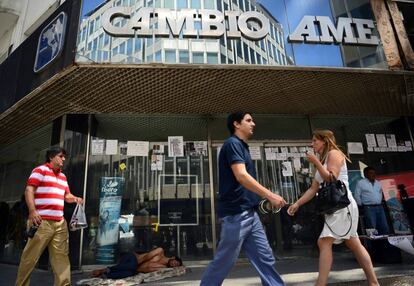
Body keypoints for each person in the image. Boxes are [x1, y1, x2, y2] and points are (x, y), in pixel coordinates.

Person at [200, 112, 286, 286]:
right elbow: (241, 176)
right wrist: (269, 195)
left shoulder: (242, 146)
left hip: (250, 213)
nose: (253, 123)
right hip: (236, 214)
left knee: (265, 258)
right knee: (224, 261)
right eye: (248, 120)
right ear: (236, 124)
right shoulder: (232, 144)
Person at [287, 130, 379, 286]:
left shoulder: (334, 154)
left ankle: (320, 284)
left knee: (324, 242)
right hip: (336, 207)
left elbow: (331, 177)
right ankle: (373, 282)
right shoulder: (323, 160)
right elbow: (313, 189)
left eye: (315, 140)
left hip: (342, 205)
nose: (312, 144)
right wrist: (297, 203)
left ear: (325, 141)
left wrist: (316, 162)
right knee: (353, 243)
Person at [15, 146, 83, 286]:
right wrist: (32, 211)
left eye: (64, 156)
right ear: (51, 157)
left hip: (60, 223)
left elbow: (66, 196)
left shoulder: (63, 177)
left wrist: (75, 198)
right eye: (60, 156)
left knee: (61, 258)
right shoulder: (40, 170)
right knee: (30, 258)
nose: (63, 159)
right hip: (41, 221)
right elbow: (29, 190)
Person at [91, 247, 183, 279]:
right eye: (176, 262)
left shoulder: (163, 268)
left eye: (176, 265)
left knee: (129, 273)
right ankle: (105, 269)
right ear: (173, 257)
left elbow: (148, 269)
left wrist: (136, 269)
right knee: (130, 268)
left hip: (132, 268)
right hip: (132, 258)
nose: (175, 264)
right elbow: (146, 257)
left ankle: (105, 275)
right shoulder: (160, 251)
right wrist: (135, 265)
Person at [354, 167, 389, 235]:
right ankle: (374, 245)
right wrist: (361, 205)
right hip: (369, 208)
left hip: (380, 207)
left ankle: (384, 244)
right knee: (372, 227)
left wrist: (380, 200)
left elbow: (380, 193)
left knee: (384, 227)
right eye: (371, 173)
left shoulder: (378, 183)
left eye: (374, 173)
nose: (373, 175)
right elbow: (357, 196)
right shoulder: (361, 183)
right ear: (365, 174)